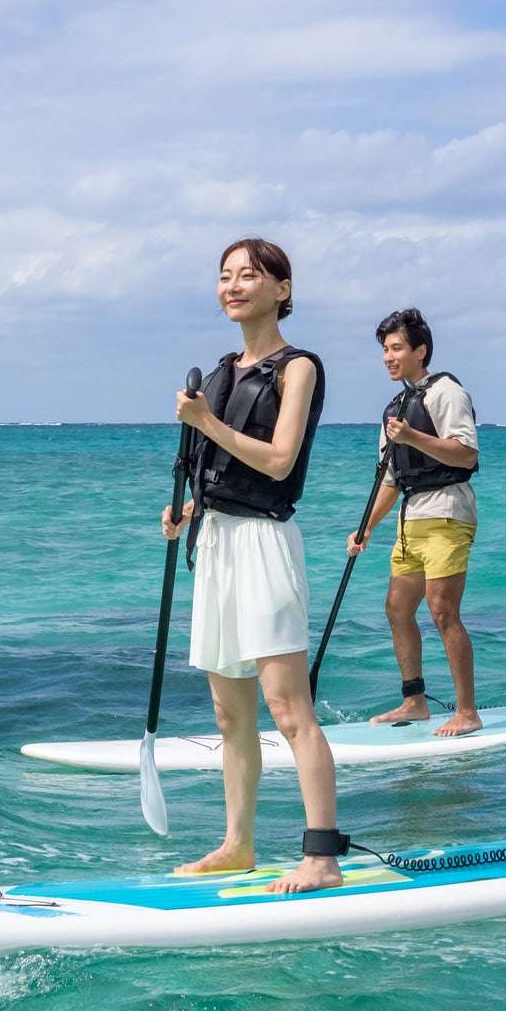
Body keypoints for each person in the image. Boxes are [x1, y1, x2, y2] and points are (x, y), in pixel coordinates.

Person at [160, 238, 348, 893]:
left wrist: (205, 422)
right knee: (229, 713)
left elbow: (277, 460)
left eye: (249, 276)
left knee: (288, 707)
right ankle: (238, 844)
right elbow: (208, 465)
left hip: (266, 541)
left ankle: (321, 856)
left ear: (283, 290)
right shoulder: (218, 372)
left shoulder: (300, 368)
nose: (234, 286)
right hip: (214, 543)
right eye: (225, 276)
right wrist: (185, 511)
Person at [345, 309, 482, 737]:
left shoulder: (447, 393)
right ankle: (415, 701)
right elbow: (390, 478)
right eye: (384, 349)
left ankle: (467, 711)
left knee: (443, 611)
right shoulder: (395, 408)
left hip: (447, 511)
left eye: (397, 348)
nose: (388, 356)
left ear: (420, 351)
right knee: (397, 609)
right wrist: (366, 526)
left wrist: (412, 437)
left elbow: (466, 454)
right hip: (410, 518)